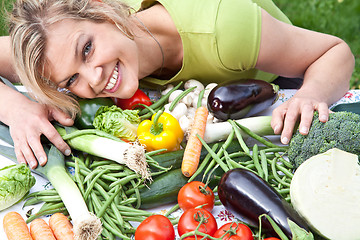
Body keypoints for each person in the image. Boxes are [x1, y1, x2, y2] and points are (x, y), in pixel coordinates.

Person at [0, 0, 354, 169]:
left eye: (88, 49)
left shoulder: (223, 28)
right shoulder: (55, 43)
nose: (93, 78)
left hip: (271, 79)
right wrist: (16, 107)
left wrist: (310, 94)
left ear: (104, 11)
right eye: (71, 79)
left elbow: (334, 52)